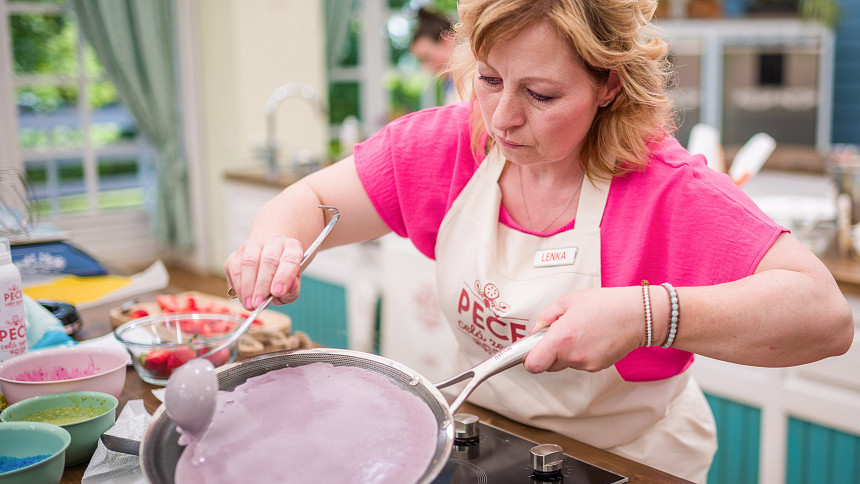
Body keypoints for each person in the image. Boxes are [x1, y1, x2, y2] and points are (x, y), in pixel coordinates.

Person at [224, 0, 854, 481]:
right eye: (492, 80)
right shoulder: (450, 145)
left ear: (609, 85)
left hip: (627, 460)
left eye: (541, 94)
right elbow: (308, 202)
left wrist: (645, 315)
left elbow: (823, 316)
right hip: (488, 443)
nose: (502, 119)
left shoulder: (668, 191)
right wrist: (272, 240)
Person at [409, 7, 457, 105]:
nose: (426, 68)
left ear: (447, 41)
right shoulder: (449, 83)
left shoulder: (476, 78)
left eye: (427, 57)